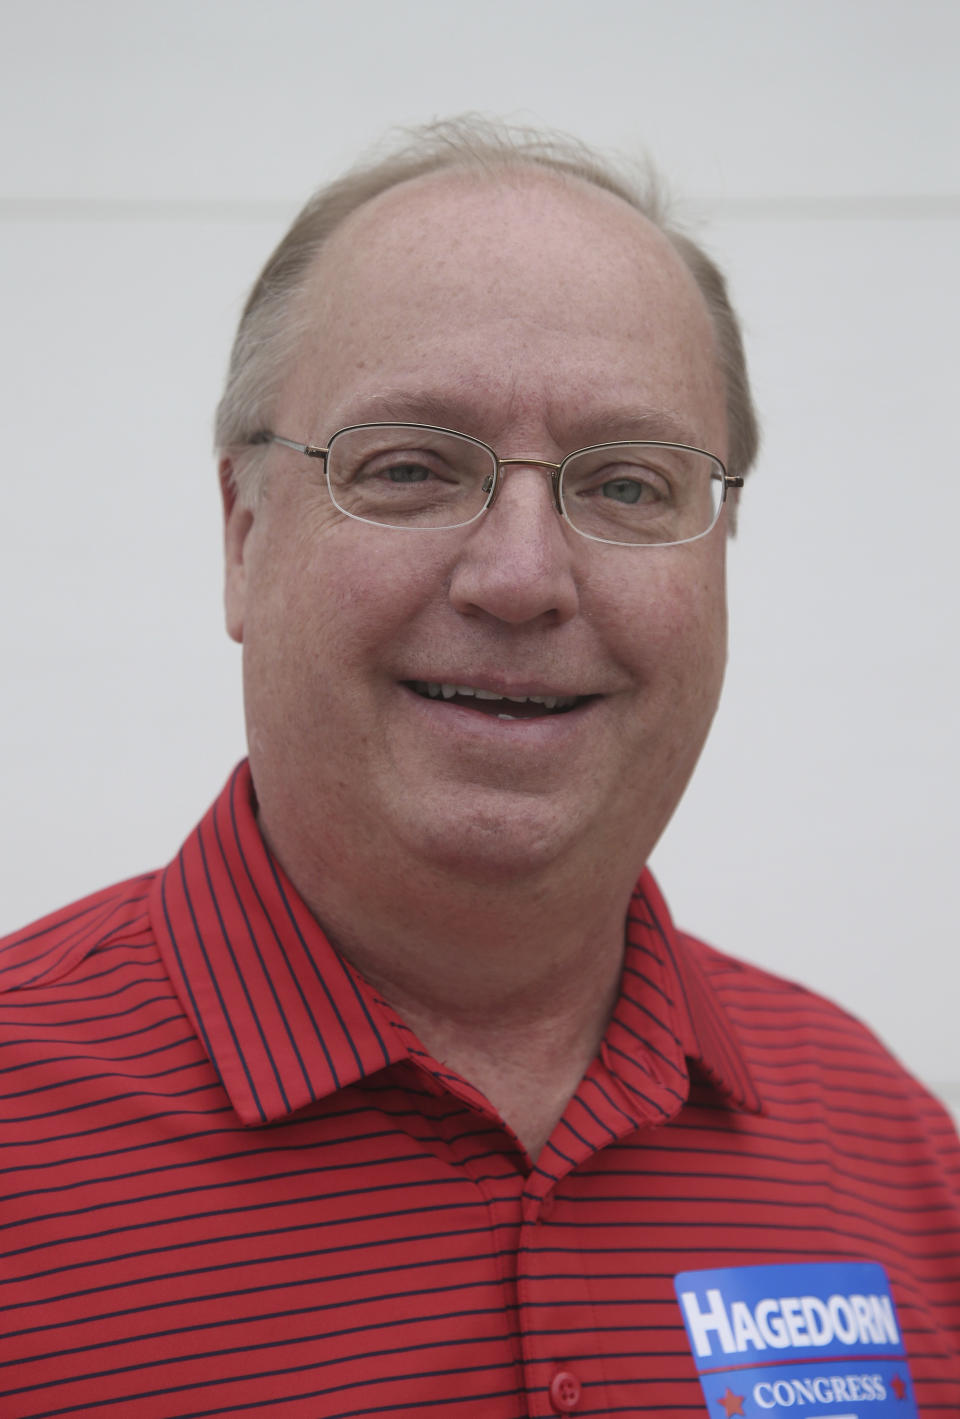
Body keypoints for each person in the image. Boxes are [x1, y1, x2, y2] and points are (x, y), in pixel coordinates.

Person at [0, 119, 956, 1419]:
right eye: (409, 467)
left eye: (626, 485)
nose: (520, 578)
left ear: (722, 555)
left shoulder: (893, 1160)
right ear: (241, 536)